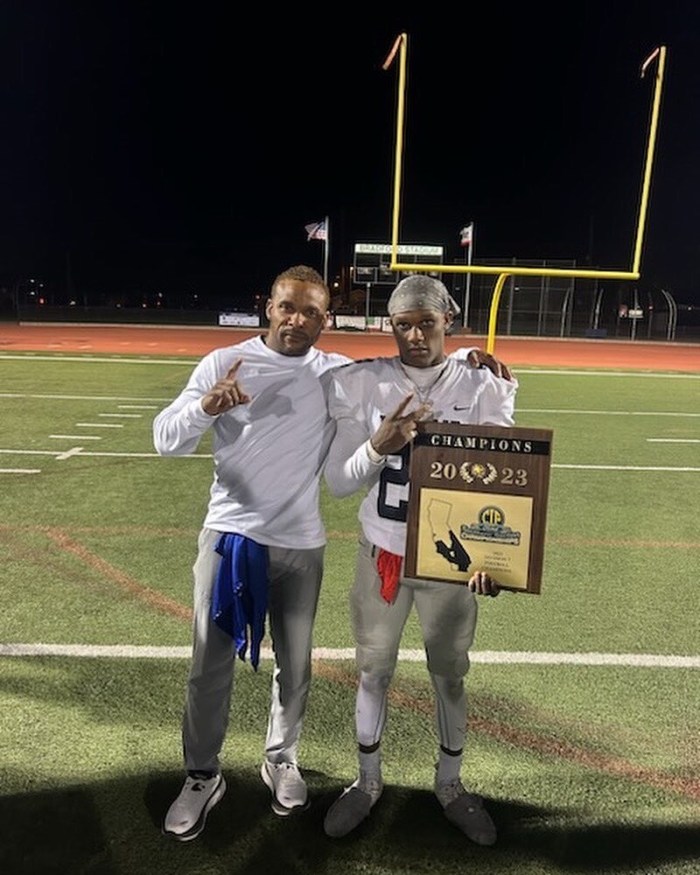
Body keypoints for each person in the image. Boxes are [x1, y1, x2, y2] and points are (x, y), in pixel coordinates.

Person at [153, 264, 510, 843]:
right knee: (215, 666)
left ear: (326, 319)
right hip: (251, 536)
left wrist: (472, 357)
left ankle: (295, 761)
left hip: (329, 544)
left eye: (311, 312)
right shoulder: (237, 364)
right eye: (287, 307)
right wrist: (205, 409)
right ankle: (208, 776)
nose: (297, 320)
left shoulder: (342, 373)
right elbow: (167, 440)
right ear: (269, 306)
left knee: (306, 669)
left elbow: (495, 467)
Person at [322, 274, 518, 847]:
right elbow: (338, 483)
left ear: (447, 321)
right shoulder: (363, 383)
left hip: (450, 562)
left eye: (426, 323)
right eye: (402, 324)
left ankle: (450, 784)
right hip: (382, 553)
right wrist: (376, 447)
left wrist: (496, 558)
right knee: (372, 672)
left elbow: (504, 485)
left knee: (449, 674)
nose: (413, 335)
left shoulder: (482, 383)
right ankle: (366, 780)